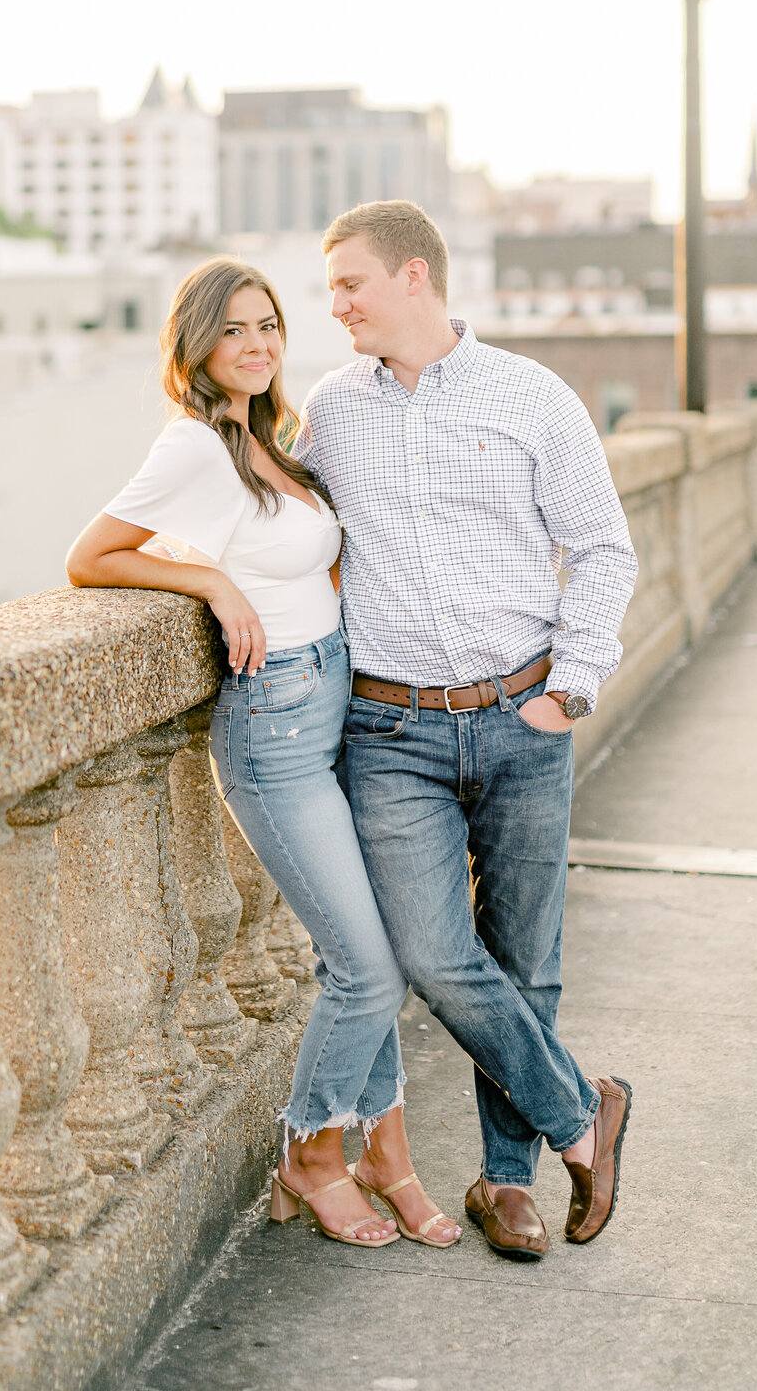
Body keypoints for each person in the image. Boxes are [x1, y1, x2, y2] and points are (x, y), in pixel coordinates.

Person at [65, 256, 463, 1251]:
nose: (257, 345)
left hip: (335, 701)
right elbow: (91, 555)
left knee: (386, 950)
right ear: (196, 344)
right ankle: (311, 1157)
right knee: (364, 966)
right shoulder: (197, 445)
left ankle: (391, 1158)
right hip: (274, 725)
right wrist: (213, 588)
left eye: (270, 326)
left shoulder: (266, 440)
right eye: (235, 330)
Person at [295, 200, 639, 1261]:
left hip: (522, 711)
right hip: (389, 731)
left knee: (525, 959)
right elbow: (284, 524)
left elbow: (602, 548)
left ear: (414, 277)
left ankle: (505, 1182)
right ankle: (584, 1114)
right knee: (435, 957)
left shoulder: (533, 396)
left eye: (349, 282)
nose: (335, 303)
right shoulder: (330, 409)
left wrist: (567, 689)